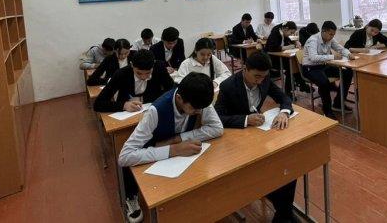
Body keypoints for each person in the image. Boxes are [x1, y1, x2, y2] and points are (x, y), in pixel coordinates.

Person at [118, 73, 223, 223]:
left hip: (177, 159)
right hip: (150, 156)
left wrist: (178, 139)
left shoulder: (198, 99)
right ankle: (131, 197)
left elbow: (217, 128)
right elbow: (124, 157)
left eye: (202, 108)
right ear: (179, 98)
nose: (199, 112)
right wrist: (174, 149)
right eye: (195, 109)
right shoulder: (155, 111)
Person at [214, 51, 296, 222]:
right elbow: (218, 118)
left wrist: (284, 112)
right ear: (245, 69)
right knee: (267, 174)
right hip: (235, 142)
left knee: (288, 169)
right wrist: (245, 119)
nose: (260, 81)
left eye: (263, 77)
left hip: (259, 137)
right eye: (257, 76)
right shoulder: (228, 86)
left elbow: (283, 97)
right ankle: (285, 213)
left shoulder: (264, 79)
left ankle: (284, 212)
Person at [301, 21, 355, 119]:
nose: (332, 37)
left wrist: (348, 54)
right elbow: (313, 58)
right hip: (310, 68)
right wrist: (332, 56)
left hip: (323, 66)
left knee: (348, 72)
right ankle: (327, 110)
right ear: (323, 31)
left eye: (333, 34)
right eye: (330, 34)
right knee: (324, 82)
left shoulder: (330, 39)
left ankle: (338, 103)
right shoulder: (313, 40)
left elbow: (341, 49)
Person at [93, 50, 174, 113]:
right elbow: (98, 104)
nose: (143, 77)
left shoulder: (159, 67)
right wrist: (124, 105)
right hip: (128, 113)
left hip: (152, 109)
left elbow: (172, 90)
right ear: (132, 65)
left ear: (153, 65)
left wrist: (142, 99)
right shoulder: (121, 74)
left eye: (148, 73)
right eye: (139, 73)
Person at [263, 21, 304, 93]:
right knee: (290, 66)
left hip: (281, 56)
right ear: (286, 29)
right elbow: (272, 48)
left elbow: (289, 39)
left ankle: (301, 83)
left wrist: (296, 42)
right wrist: (287, 47)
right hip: (272, 58)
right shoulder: (275, 33)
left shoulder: (283, 31)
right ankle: (289, 90)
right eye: (291, 32)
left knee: (295, 62)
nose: (291, 35)